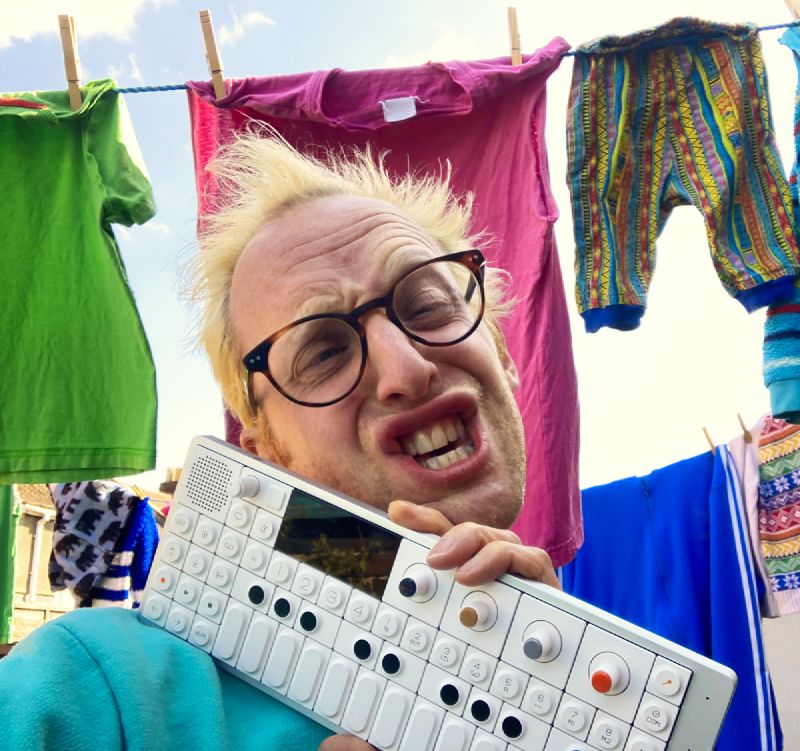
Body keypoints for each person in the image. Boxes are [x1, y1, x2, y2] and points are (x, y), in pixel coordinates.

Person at [0, 133, 558, 751]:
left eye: (427, 306)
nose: (407, 369)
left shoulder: (625, 689)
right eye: (323, 351)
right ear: (270, 451)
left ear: (502, 355)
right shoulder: (99, 686)